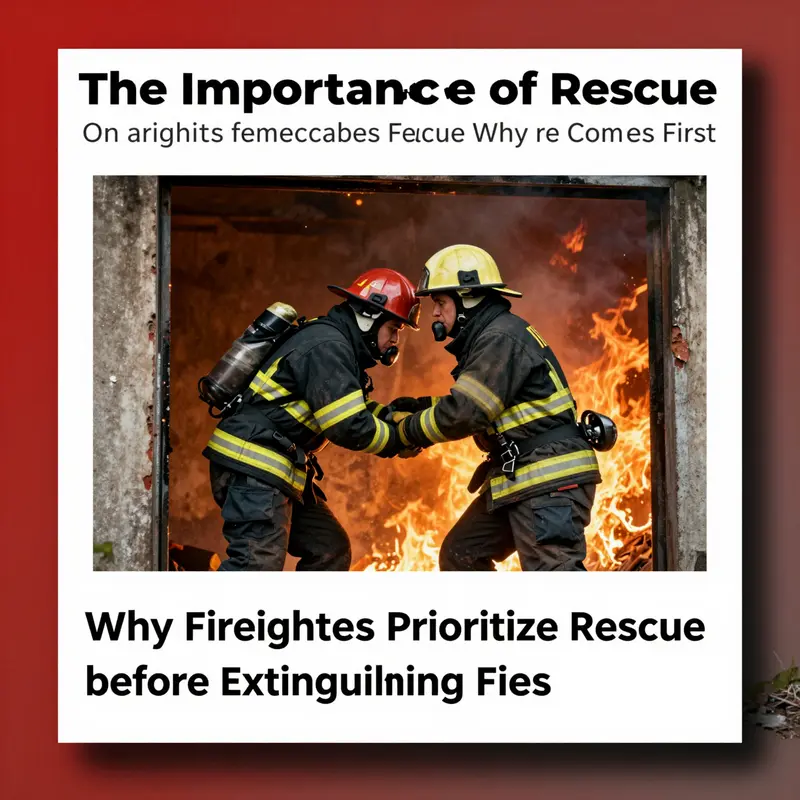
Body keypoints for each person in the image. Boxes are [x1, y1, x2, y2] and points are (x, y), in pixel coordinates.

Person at [390, 244, 602, 571]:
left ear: (468, 298)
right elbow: (486, 407)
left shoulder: (500, 336)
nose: (434, 313)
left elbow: (467, 412)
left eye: (440, 302)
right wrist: (422, 408)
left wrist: (408, 431)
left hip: (548, 479)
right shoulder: (494, 337)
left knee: (554, 574)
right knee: (462, 555)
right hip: (521, 477)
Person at [203, 268, 421, 571]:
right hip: (254, 467)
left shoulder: (336, 346)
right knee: (254, 568)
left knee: (329, 550)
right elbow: (348, 425)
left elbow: (353, 409)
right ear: (369, 316)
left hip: (279, 470)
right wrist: (398, 440)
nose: (394, 340)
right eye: (394, 328)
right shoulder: (327, 346)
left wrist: (398, 418)